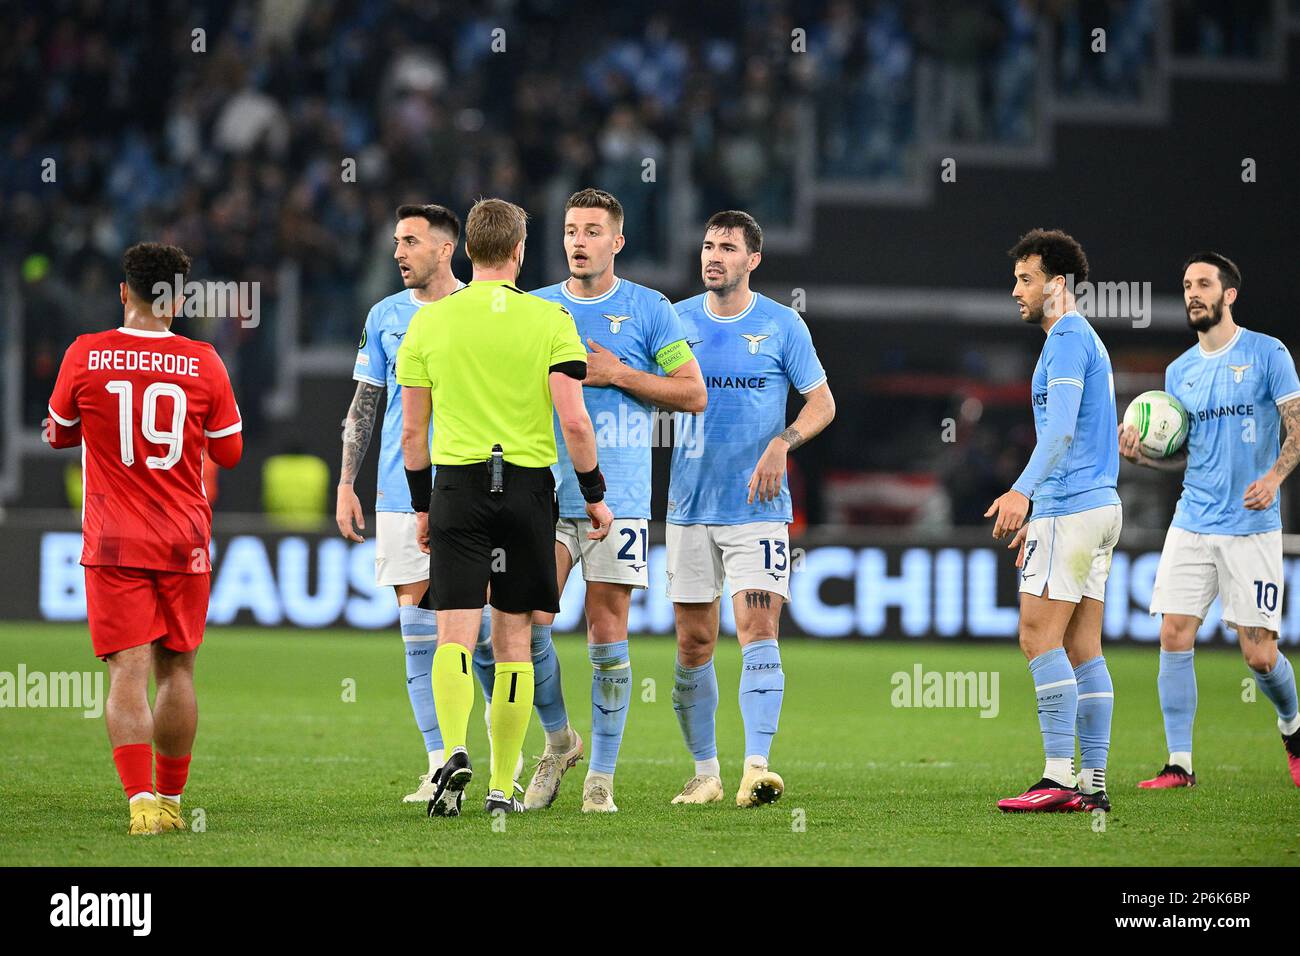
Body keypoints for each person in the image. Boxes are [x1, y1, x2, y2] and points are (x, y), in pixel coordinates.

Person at [397, 198, 613, 816]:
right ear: (520, 252)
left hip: (458, 488)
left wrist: (420, 509)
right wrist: (594, 495)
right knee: (515, 640)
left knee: (454, 637)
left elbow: (413, 435)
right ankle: (499, 786)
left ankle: (452, 755)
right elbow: (573, 420)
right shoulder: (550, 321)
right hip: (525, 489)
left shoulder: (430, 323)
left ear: (466, 250)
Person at [517, 188, 706, 813]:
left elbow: (692, 394)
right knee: (530, 622)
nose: (578, 241)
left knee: (606, 631)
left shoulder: (650, 310)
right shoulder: (536, 308)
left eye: (593, 231)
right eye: (571, 229)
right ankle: (557, 740)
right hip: (542, 490)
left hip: (619, 497)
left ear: (617, 242)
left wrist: (617, 373)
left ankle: (600, 778)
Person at [46, 242, 243, 834]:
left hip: (113, 542)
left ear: (123, 292)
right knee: (177, 673)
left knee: (127, 673)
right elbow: (230, 451)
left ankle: (140, 807)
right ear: (178, 301)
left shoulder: (85, 354)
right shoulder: (204, 361)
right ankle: (175, 804)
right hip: (183, 539)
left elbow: (57, 435)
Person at [665, 210, 835, 808]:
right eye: (708, 245)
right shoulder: (675, 320)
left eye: (727, 248)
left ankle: (756, 768)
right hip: (687, 509)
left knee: (759, 631)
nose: (713, 256)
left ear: (752, 260)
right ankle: (706, 772)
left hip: (759, 510)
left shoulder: (783, 325)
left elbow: (822, 403)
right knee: (693, 644)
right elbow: (641, 387)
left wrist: (781, 443)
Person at [335, 203, 496, 804]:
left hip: (476, 488)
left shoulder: (484, 307)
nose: (398, 252)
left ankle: (503, 750)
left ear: (445, 248)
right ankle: (442, 761)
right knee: (417, 625)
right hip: (402, 491)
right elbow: (365, 404)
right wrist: (348, 481)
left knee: (482, 630)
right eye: (395, 241)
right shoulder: (384, 316)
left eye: (410, 241)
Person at [1123, 252, 1300, 789]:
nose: (1193, 293)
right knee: (1174, 635)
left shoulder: (1268, 353)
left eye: (1204, 284)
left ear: (1230, 294)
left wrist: (1273, 477)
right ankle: (1180, 764)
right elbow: (1182, 450)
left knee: (1261, 655)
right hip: (1192, 520)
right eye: (1186, 286)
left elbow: (1296, 428)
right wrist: (1144, 456)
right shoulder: (1179, 371)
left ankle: (1293, 727)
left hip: (1251, 525)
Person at [988, 228, 1120, 814]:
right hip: (1099, 507)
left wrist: (1023, 492)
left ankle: (1058, 778)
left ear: (1057, 284)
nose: (1016, 290)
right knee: (1083, 645)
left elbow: (1061, 431)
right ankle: (1091, 783)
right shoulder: (1079, 339)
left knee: (1037, 637)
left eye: (1026, 279)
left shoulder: (1066, 338)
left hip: (1073, 508)